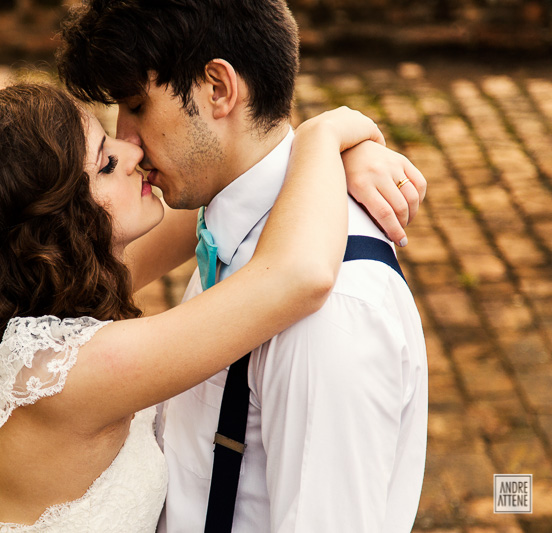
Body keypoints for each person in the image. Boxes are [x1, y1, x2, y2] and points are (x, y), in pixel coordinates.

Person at [0, 80, 409, 533]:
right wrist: (327, 135)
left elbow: (237, 177)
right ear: (58, 223)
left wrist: (334, 163)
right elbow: (298, 274)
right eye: (105, 163)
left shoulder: (28, 299)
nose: (131, 150)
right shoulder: (72, 372)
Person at [57, 1, 428, 531]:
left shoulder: (331, 316)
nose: (128, 142)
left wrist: (327, 142)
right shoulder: (228, 217)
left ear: (218, 89)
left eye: (137, 105)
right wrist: (325, 140)